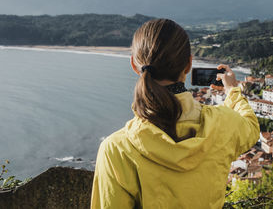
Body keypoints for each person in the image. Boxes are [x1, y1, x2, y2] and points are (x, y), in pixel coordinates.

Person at [91, 19, 260, 208]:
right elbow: (251, 127)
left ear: (134, 64)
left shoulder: (117, 149)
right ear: (188, 64)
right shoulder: (223, 124)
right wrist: (232, 91)